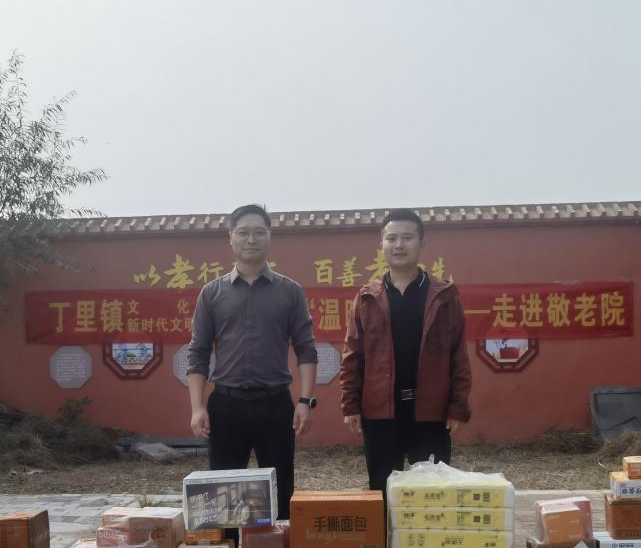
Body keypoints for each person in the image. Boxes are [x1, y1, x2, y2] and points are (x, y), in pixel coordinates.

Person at [187, 203, 318, 520]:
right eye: (243, 232)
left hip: (275, 405)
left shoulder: (289, 292)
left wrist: (305, 402)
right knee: (223, 496)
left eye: (259, 232)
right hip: (226, 406)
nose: (251, 239)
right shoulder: (212, 293)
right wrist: (197, 407)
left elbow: (306, 349)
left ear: (269, 237)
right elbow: (198, 352)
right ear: (230, 238)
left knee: (281, 490)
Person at [340, 208, 471, 492]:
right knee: (382, 491)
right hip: (381, 413)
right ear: (382, 245)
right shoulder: (367, 297)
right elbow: (353, 355)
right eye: (392, 238)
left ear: (421, 243)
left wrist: (458, 406)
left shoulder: (444, 296)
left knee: (432, 494)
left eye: (407, 238)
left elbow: (458, 355)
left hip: (431, 413)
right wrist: (350, 404)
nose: (399, 245)